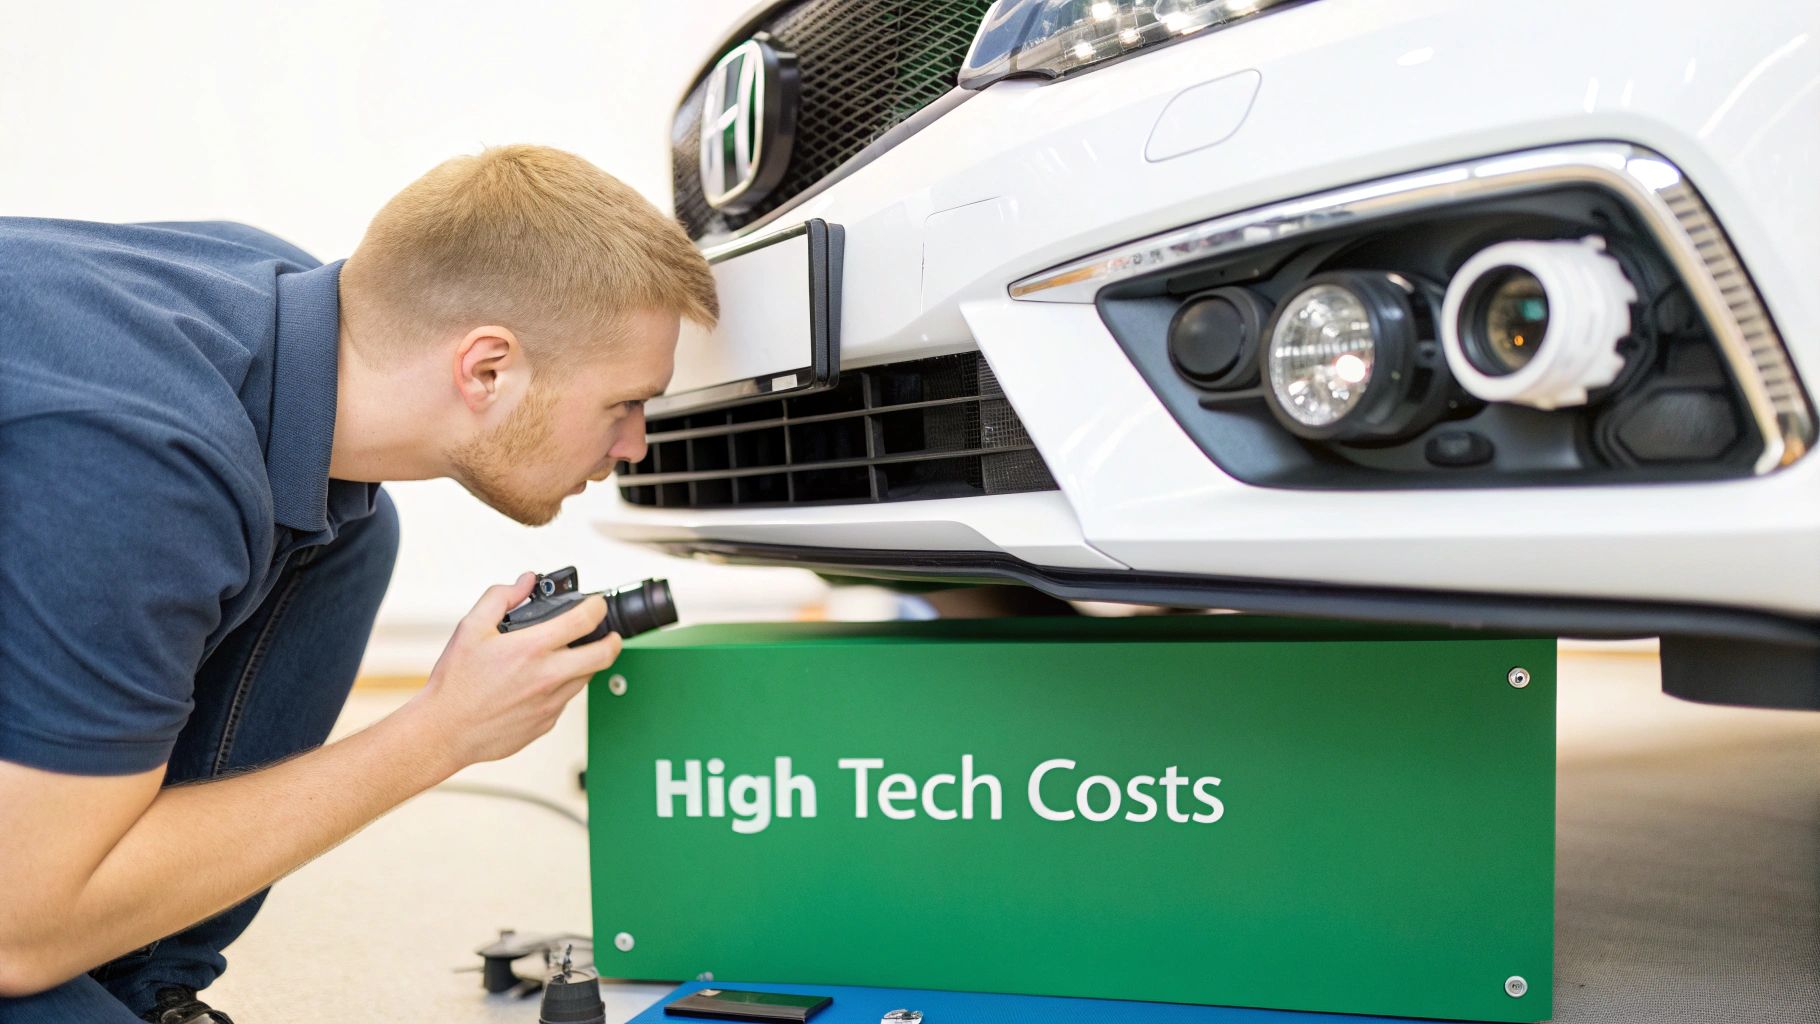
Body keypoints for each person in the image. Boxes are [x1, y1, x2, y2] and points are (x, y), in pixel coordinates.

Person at [0, 145, 718, 1023]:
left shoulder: (276, 309)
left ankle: (144, 984)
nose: (635, 444)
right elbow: (16, 934)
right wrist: (441, 731)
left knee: (352, 532)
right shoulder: (142, 466)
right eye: (624, 403)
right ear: (487, 369)